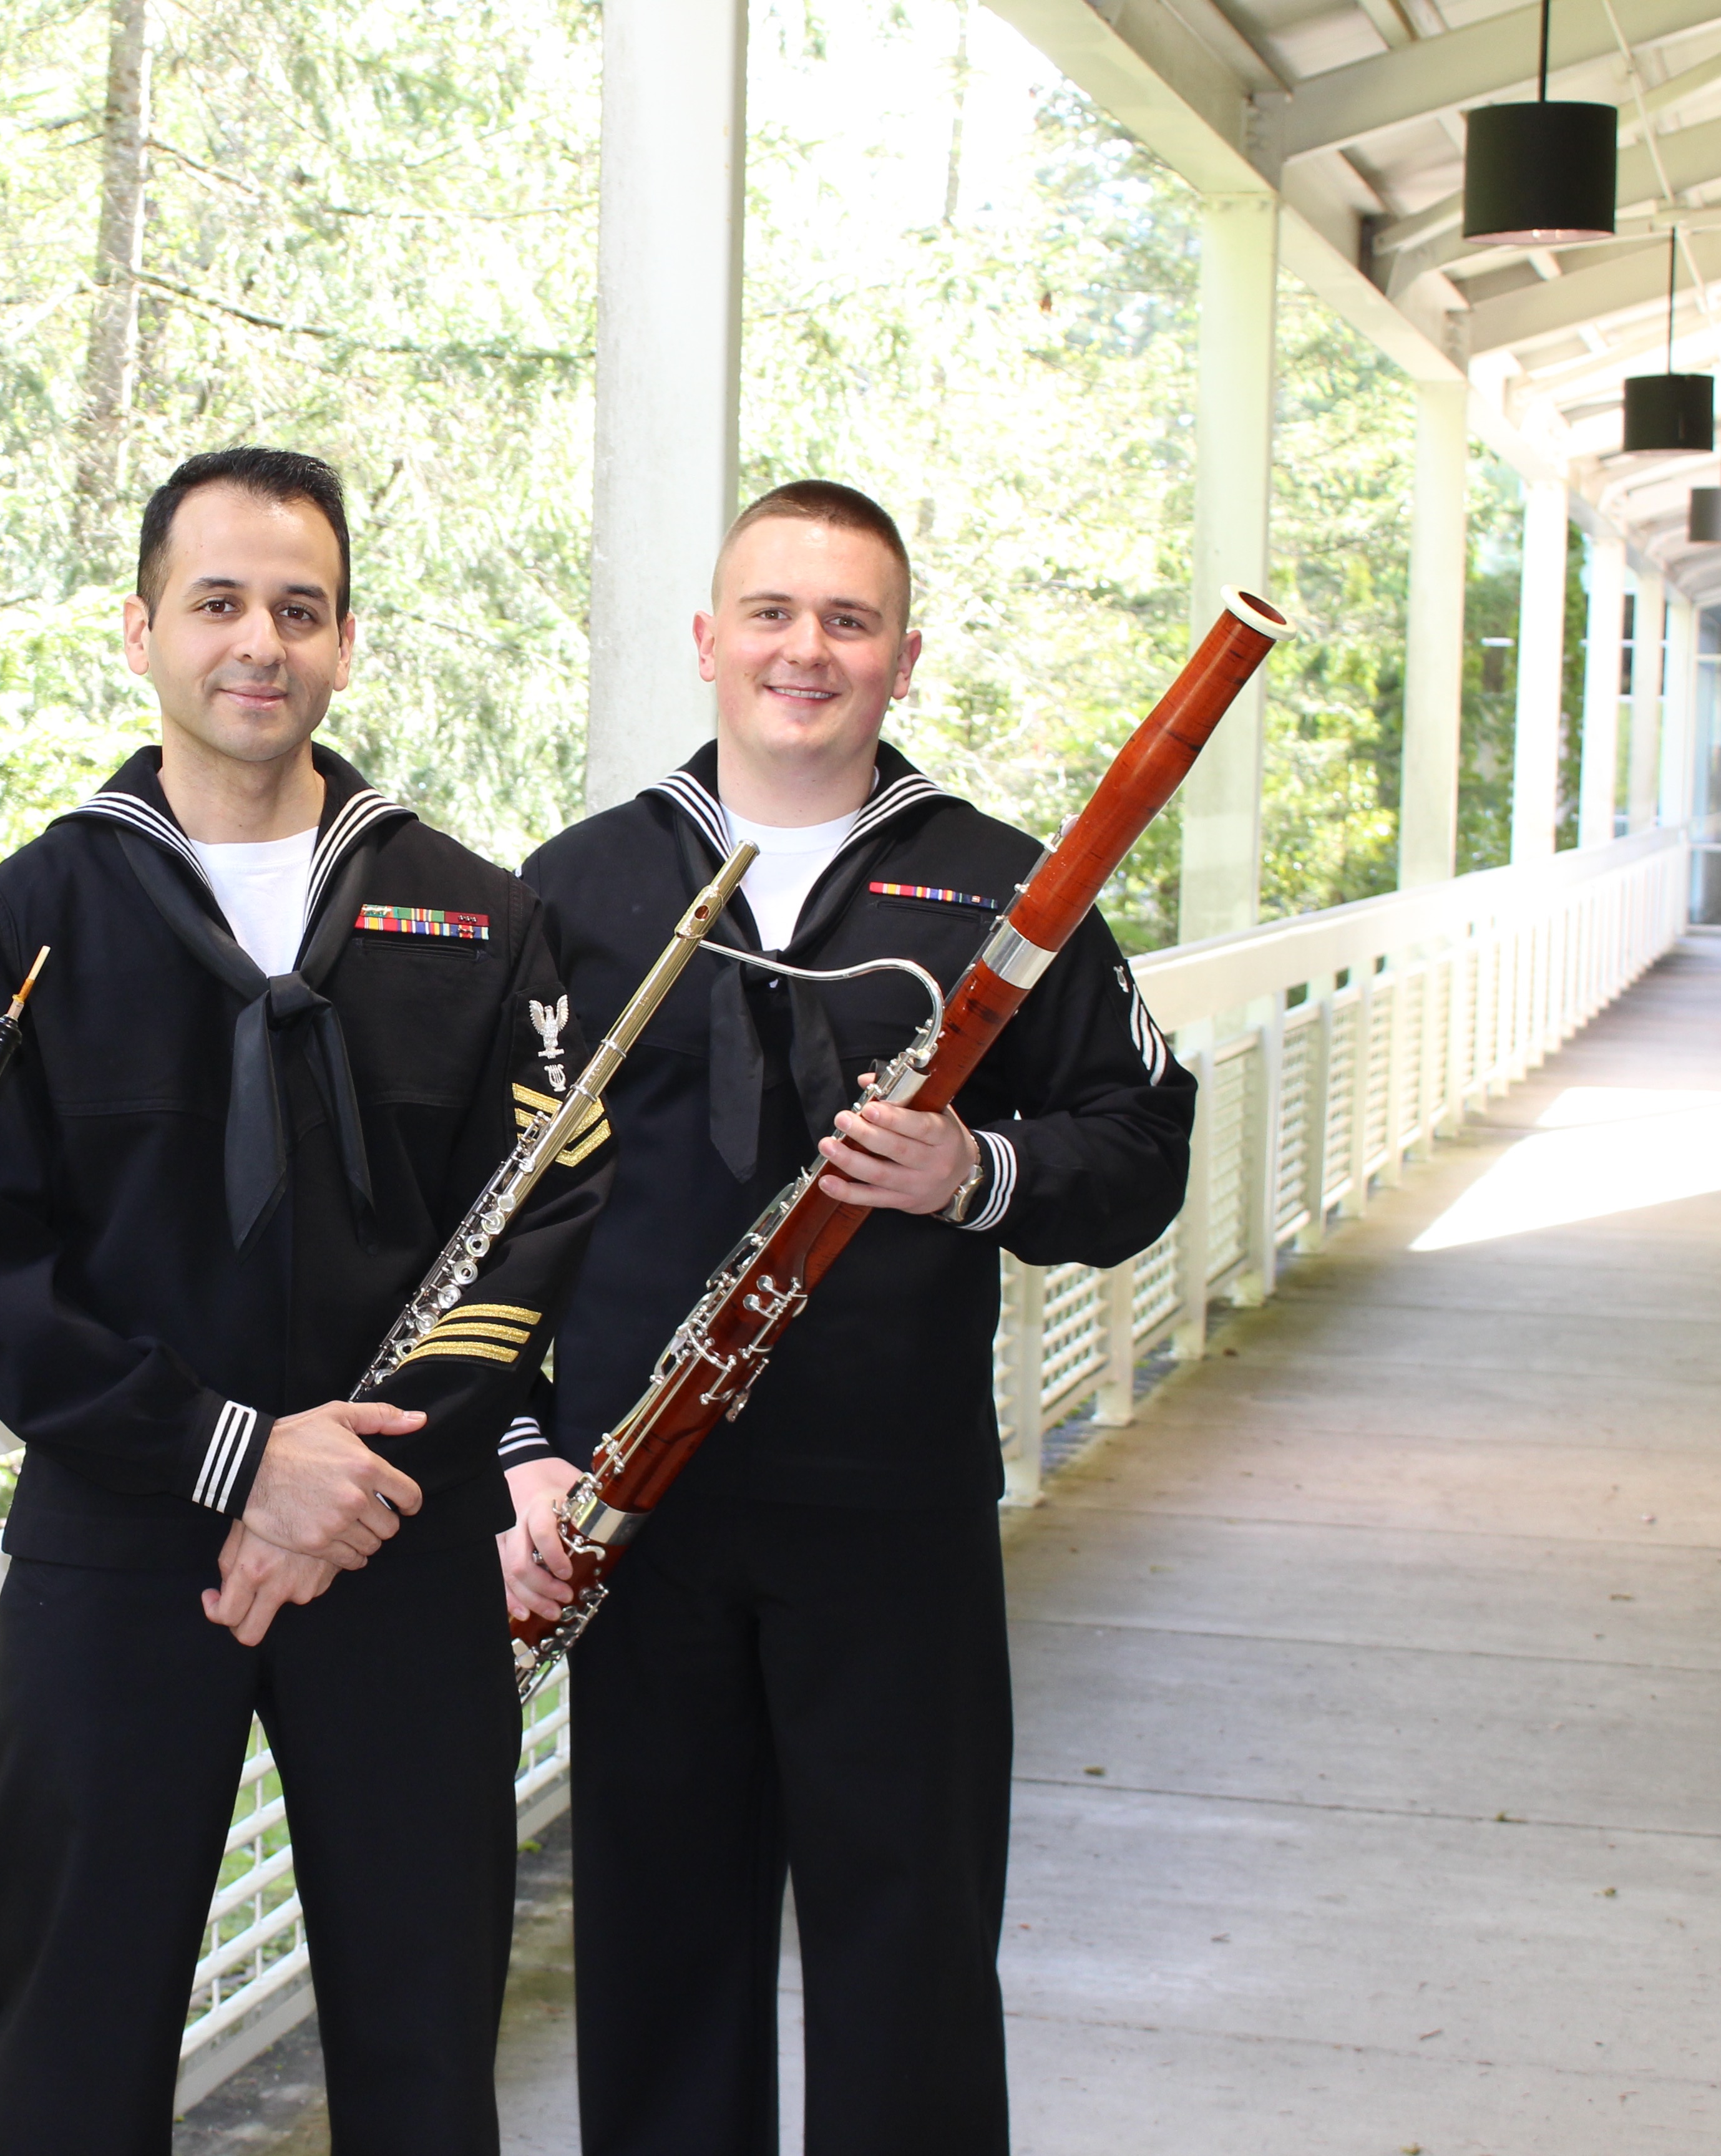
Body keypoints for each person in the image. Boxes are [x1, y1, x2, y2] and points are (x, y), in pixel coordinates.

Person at [0, 447, 611, 2155]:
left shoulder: (481, 915)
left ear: (348, 643)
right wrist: (236, 1458)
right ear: (143, 627)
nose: (259, 642)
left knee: (428, 2025)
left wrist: (348, 1475)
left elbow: (545, 1209)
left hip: (399, 1533)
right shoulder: (21, 925)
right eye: (217, 603)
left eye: (299, 609)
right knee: (68, 2035)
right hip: (127, 1532)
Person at [510, 480, 1194, 2154]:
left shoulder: (999, 887)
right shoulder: (574, 890)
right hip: (637, 1520)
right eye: (771, 614)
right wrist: (519, 1454)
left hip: (893, 1522)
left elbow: (1140, 1152)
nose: (804, 651)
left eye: (848, 621)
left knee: (912, 1959)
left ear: (901, 658)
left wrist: (973, 1170)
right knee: (661, 1968)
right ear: (706, 641)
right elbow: (486, 1221)